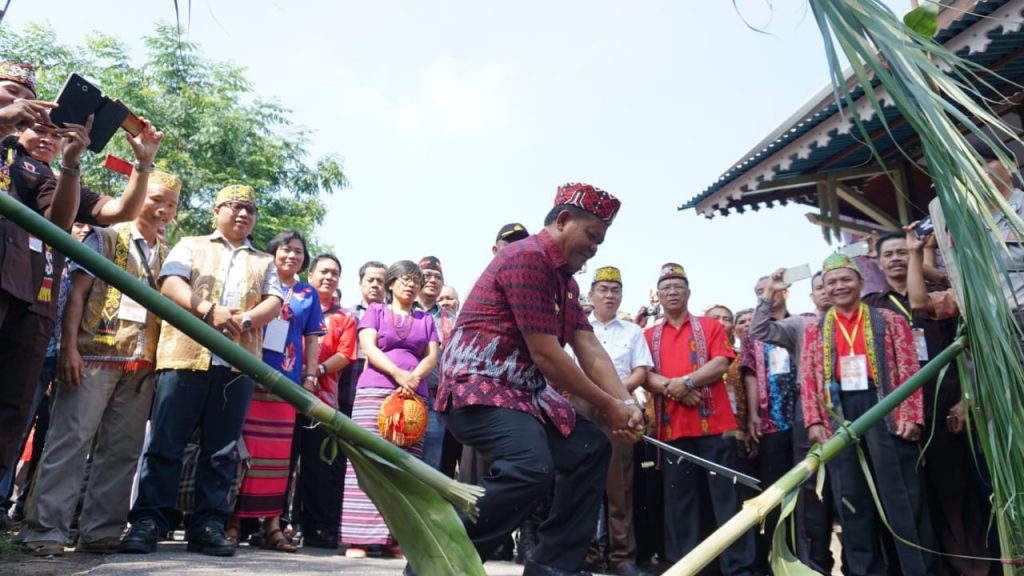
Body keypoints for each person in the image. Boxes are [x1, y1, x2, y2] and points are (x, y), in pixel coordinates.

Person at [436, 183, 643, 576]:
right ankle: (440, 559)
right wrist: (608, 404)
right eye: (592, 236)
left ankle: (552, 566)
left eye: (601, 240)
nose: (595, 248)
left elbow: (591, 349)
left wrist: (627, 405)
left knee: (590, 449)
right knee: (531, 466)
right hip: (478, 385)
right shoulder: (527, 258)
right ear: (563, 220)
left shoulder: (566, 283)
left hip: (524, 394)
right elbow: (546, 354)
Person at [0, 65, 164, 484]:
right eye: (10, 91)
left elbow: (114, 213)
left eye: (55, 135)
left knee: (13, 409)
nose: (45, 137)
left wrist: (141, 165)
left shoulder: (41, 173)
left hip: (31, 300)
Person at [16, 171, 180, 556]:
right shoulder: (107, 235)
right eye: (156, 199)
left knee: (122, 450)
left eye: (171, 204)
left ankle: (101, 530)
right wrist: (68, 347)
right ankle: (45, 530)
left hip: (140, 363)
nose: (162, 210)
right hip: (92, 354)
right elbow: (77, 293)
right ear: (137, 196)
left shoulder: (169, 253)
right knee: (70, 441)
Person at [119, 184, 283, 557]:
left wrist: (244, 319)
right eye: (234, 207)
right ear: (217, 210)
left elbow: (275, 301)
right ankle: (148, 520)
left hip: (238, 364)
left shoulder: (263, 260)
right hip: (183, 356)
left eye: (249, 210)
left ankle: (209, 523)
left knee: (222, 451)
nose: (242, 214)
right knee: (165, 444)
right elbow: (170, 283)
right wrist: (209, 310)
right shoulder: (191, 244)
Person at [799, 253, 939, 576]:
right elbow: (808, 378)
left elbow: (908, 369)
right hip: (839, 414)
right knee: (851, 501)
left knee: (903, 497)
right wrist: (814, 420)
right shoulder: (815, 330)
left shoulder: (888, 320)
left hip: (885, 408)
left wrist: (911, 415)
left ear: (862, 283)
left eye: (846, 279)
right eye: (831, 282)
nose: (839, 286)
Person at [642, 263, 754, 575]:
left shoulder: (710, 326)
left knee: (727, 500)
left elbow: (720, 363)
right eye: (666, 288)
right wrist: (676, 389)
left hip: (717, 428)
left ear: (689, 292)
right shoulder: (648, 335)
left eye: (678, 287)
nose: (672, 292)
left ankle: (738, 568)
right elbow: (644, 376)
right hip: (672, 430)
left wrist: (686, 383)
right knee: (680, 505)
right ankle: (687, 568)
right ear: (659, 296)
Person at [230, 230, 323, 553]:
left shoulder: (308, 293)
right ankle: (233, 523)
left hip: (287, 382)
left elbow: (312, 337)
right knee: (244, 454)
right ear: (273, 252)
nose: (292, 256)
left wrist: (310, 377)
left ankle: (272, 526)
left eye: (299, 251)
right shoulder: (258, 280)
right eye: (286, 249)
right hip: (250, 372)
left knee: (278, 458)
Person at [340, 260, 440, 559]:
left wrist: (414, 378)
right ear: (391, 284)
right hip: (374, 391)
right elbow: (368, 347)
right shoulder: (376, 311)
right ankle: (359, 538)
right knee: (367, 460)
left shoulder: (426, 320)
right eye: (405, 279)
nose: (411, 285)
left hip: (415, 396)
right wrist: (398, 374)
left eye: (416, 281)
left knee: (404, 467)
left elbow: (432, 355)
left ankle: (396, 537)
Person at [747, 269, 835, 573]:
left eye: (832, 284)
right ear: (812, 296)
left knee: (852, 490)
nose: (827, 291)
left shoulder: (865, 320)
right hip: (809, 411)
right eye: (820, 287)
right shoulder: (802, 324)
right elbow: (758, 331)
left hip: (853, 408)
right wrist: (769, 293)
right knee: (810, 491)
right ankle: (813, 565)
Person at [571, 266, 653, 576]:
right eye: (602, 289)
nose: (609, 295)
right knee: (583, 484)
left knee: (620, 486)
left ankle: (622, 558)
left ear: (621, 296)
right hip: (583, 407)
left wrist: (618, 396)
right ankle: (587, 555)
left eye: (614, 290)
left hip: (621, 407)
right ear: (591, 294)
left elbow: (641, 372)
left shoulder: (632, 331)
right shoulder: (577, 327)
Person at [292, 253, 357, 549]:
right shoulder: (293, 306)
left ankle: (317, 528)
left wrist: (316, 370)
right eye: (323, 271)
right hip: (287, 394)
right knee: (284, 461)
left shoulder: (345, 318)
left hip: (323, 401)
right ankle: (276, 524)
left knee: (319, 468)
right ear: (310, 276)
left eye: (334, 273)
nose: (329, 277)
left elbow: (345, 355)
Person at [739, 277, 799, 573]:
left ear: (786, 291)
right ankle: (770, 562)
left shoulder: (804, 322)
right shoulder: (754, 334)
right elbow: (749, 373)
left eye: (770, 290)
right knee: (774, 492)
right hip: (771, 422)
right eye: (759, 292)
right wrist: (753, 414)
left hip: (803, 419)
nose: (765, 296)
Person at [414, 256, 459, 475]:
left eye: (437, 277)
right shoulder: (403, 308)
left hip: (436, 399)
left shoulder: (451, 319)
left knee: (431, 465)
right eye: (427, 275)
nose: (432, 280)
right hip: (404, 393)